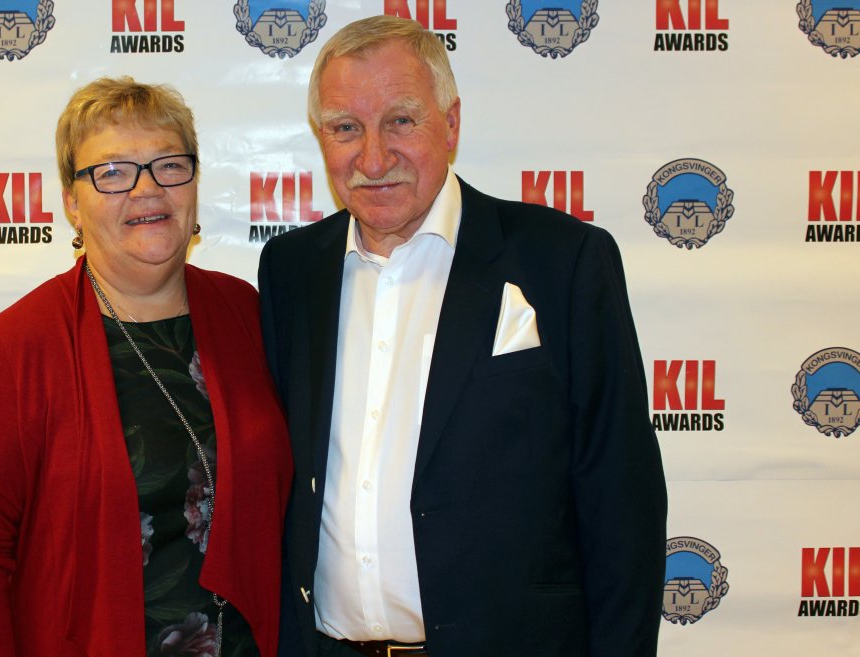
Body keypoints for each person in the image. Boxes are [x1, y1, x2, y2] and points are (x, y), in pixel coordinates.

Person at [258, 16, 667, 657]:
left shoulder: (562, 262)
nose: (373, 157)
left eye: (400, 120)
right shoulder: (291, 271)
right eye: (345, 128)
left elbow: (622, 500)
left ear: (450, 124)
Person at [0, 77, 292, 657]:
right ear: (72, 202)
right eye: (113, 172)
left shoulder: (245, 313)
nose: (147, 189)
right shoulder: (23, 344)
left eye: (168, 165)